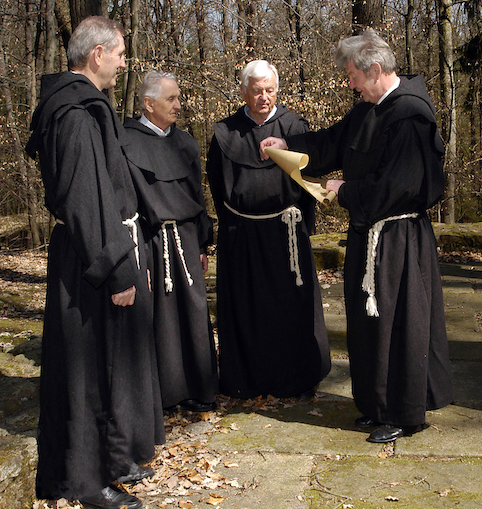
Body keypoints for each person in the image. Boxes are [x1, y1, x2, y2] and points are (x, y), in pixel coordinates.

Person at [260, 29, 453, 443]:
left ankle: (403, 413)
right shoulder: (368, 107)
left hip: (400, 239)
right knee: (368, 323)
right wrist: (286, 142)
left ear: (376, 70)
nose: (350, 83)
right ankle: (375, 404)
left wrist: (343, 191)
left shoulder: (410, 116)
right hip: (368, 235)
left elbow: (397, 186)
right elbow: (332, 142)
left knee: (398, 323)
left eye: (353, 75)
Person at [26, 16, 164, 509]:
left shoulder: (77, 105)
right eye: (120, 53)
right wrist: (116, 268)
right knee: (88, 369)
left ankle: (111, 459)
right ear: (96, 54)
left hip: (97, 248)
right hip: (91, 258)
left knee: (109, 365)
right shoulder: (76, 112)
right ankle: (87, 479)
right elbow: (86, 199)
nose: (125, 63)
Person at [206, 60, 331, 399]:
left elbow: (307, 184)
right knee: (247, 308)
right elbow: (218, 187)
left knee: (291, 307)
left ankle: (299, 379)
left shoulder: (295, 127)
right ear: (244, 91)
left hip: (287, 234)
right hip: (243, 237)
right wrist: (232, 229)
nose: (264, 97)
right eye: (257, 91)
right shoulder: (225, 133)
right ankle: (246, 380)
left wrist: (302, 228)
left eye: (270, 90)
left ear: (278, 90)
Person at [123, 71, 217, 413]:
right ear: (149, 104)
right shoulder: (124, 141)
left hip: (188, 239)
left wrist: (205, 242)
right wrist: (133, 258)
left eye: (178, 97)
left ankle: (198, 387)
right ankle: (163, 393)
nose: (179, 105)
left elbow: (196, 195)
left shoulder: (185, 143)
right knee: (160, 316)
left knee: (192, 311)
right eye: (171, 99)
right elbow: (125, 203)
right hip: (150, 240)